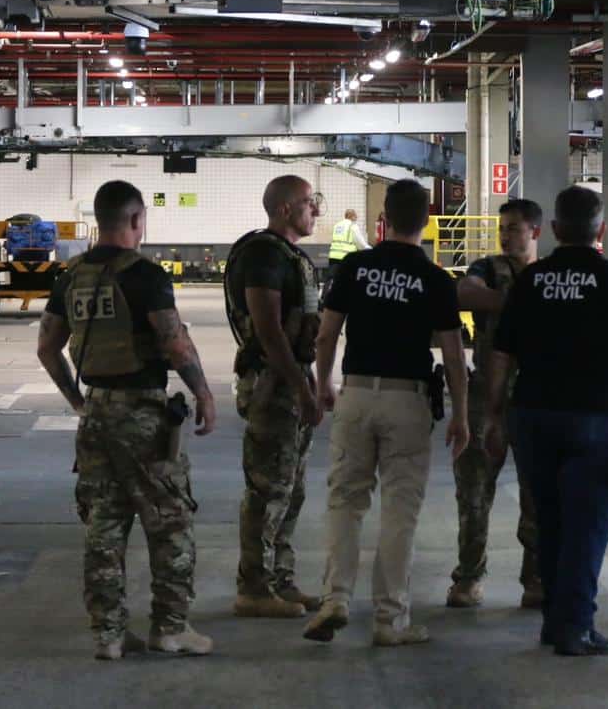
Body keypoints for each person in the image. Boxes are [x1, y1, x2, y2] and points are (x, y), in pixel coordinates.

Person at [486, 185, 608, 657]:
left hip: (533, 416)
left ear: (552, 230)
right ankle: (576, 626)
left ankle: (556, 621)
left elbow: (501, 355)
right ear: (601, 231)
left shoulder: (531, 281)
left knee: (550, 521)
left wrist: (493, 415)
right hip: (597, 418)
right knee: (587, 524)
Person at [36, 180, 217, 660]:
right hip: (142, 413)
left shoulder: (70, 275)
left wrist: (78, 399)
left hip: (95, 413)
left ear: (100, 220)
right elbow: (174, 343)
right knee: (170, 521)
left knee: (104, 525)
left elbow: (47, 347)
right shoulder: (145, 275)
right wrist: (203, 392)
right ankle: (170, 628)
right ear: (137, 220)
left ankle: (109, 634)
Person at [304, 178, 470, 647]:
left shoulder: (356, 267)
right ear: (427, 221)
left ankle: (335, 598)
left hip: (357, 393)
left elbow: (326, 334)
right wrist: (461, 415)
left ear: (384, 221)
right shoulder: (437, 279)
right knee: (400, 509)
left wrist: (323, 384)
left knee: (345, 501)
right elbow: (454, 356)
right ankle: (389, 619)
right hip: (408, 398)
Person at [224, 176, 325, 618]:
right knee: (267, 489)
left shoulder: (288, 256)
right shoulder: (263, 254)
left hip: (290, 379)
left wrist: (311, 380)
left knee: (290, 490)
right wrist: (302, 387)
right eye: (309, 202)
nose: (316, 211)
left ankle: (279, 580)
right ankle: (254, 586)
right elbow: (268, 330)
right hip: (272, 385)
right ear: (286, 208)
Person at [447, 198, 544, 610]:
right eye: (503, 228)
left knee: (537, 494)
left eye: (515, 228)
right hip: (486, 392)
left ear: (535, 232)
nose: (506, 235)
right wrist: (521, 306)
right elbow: (465, 294)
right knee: (473, 492)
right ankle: (469, 577)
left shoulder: (547, 274)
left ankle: (536, 578)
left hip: (535, 397)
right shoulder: (487, 268)